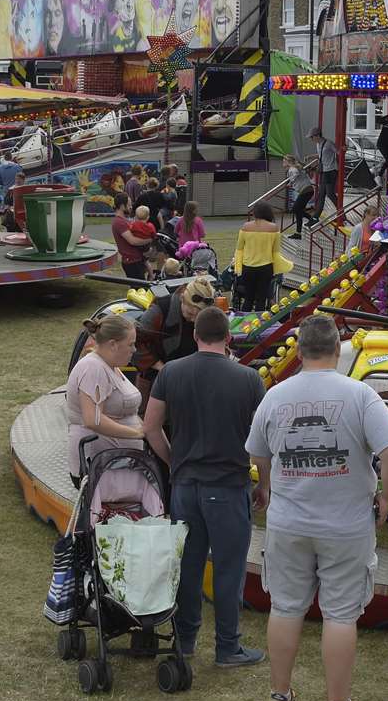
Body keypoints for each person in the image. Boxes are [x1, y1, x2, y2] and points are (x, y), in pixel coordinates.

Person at [246, 314, 388, 701]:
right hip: (346, 524)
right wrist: (385, 497)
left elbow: (258, 454)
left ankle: (278, 697)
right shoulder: (360, 395)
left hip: (288, 521)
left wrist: (266, 487)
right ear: (339, 350)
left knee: (284, 607)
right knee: (339, 616)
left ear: (298, 351)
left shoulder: (275, 395)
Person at [144, 305, 265, 668]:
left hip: (185, 487)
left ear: (195, 336)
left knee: (188, 566)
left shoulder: (173, 373)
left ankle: (185, 641)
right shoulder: (249, 379)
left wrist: (173, 462)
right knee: (228, 570)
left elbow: (150, 427)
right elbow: (261, 442)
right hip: (228, 487)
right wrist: (266, 485)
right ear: (229, 338)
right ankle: (228, 648)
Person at [63, 314, 143, 477]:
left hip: (114, 463)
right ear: (113, 344)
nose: (134, 350)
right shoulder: (93, 368)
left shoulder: (109, 364)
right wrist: (138, 433)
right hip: (99, 467)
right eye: (131, 344)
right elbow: (93, 419)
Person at [134, 275, 215, 386]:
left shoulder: (209, 315)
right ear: (182, 299)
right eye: (190, 314)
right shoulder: (160, 309)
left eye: (199, 316)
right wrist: (161, 368)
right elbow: (135, 340)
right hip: (157, 378)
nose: (194, 320)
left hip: (192, 377)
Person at [232, 202, 293, 313]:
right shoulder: (274, 228)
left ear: (255, 213)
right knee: (261, 299)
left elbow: (239, 249)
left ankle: (245, 323)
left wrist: (237, 267)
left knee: (248, 298)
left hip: (248, 267)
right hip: (266, 267)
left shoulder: (246, 226)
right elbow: (275, 252)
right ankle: (260, 325)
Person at [110, 193, 152, 280]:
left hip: (137, 260)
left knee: (141, 289)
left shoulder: (124, 220)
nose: (131, 207)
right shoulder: (119, 222)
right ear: (122, 206)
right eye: (129, 204)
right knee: (139, 290)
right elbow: (132, 240)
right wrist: (149, 239)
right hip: (132, 262)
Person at [309, 126, 339, 219]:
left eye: (312, 137)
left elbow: (338, 152)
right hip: (324, 171)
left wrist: (344, 149)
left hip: (331, 171)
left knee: (330, 194)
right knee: (321, 194)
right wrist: (311, 157)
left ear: (317, 136)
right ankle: (316, 216)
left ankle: (342, 213)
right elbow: (321, 155)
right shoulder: (318, 144)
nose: (311, 139)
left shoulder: (328, 143)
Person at [284, 155, 315, 240]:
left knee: (295, 209)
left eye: (284, 161)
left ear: (288, 161)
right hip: (306, 190)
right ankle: (298, 233)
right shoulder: (294, 168)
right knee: (298, 211)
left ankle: (312, 218)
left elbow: (296, 173)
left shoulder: (292, 168)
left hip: (306, 190)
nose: (283, 163)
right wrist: (291, 182)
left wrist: (291, 181)